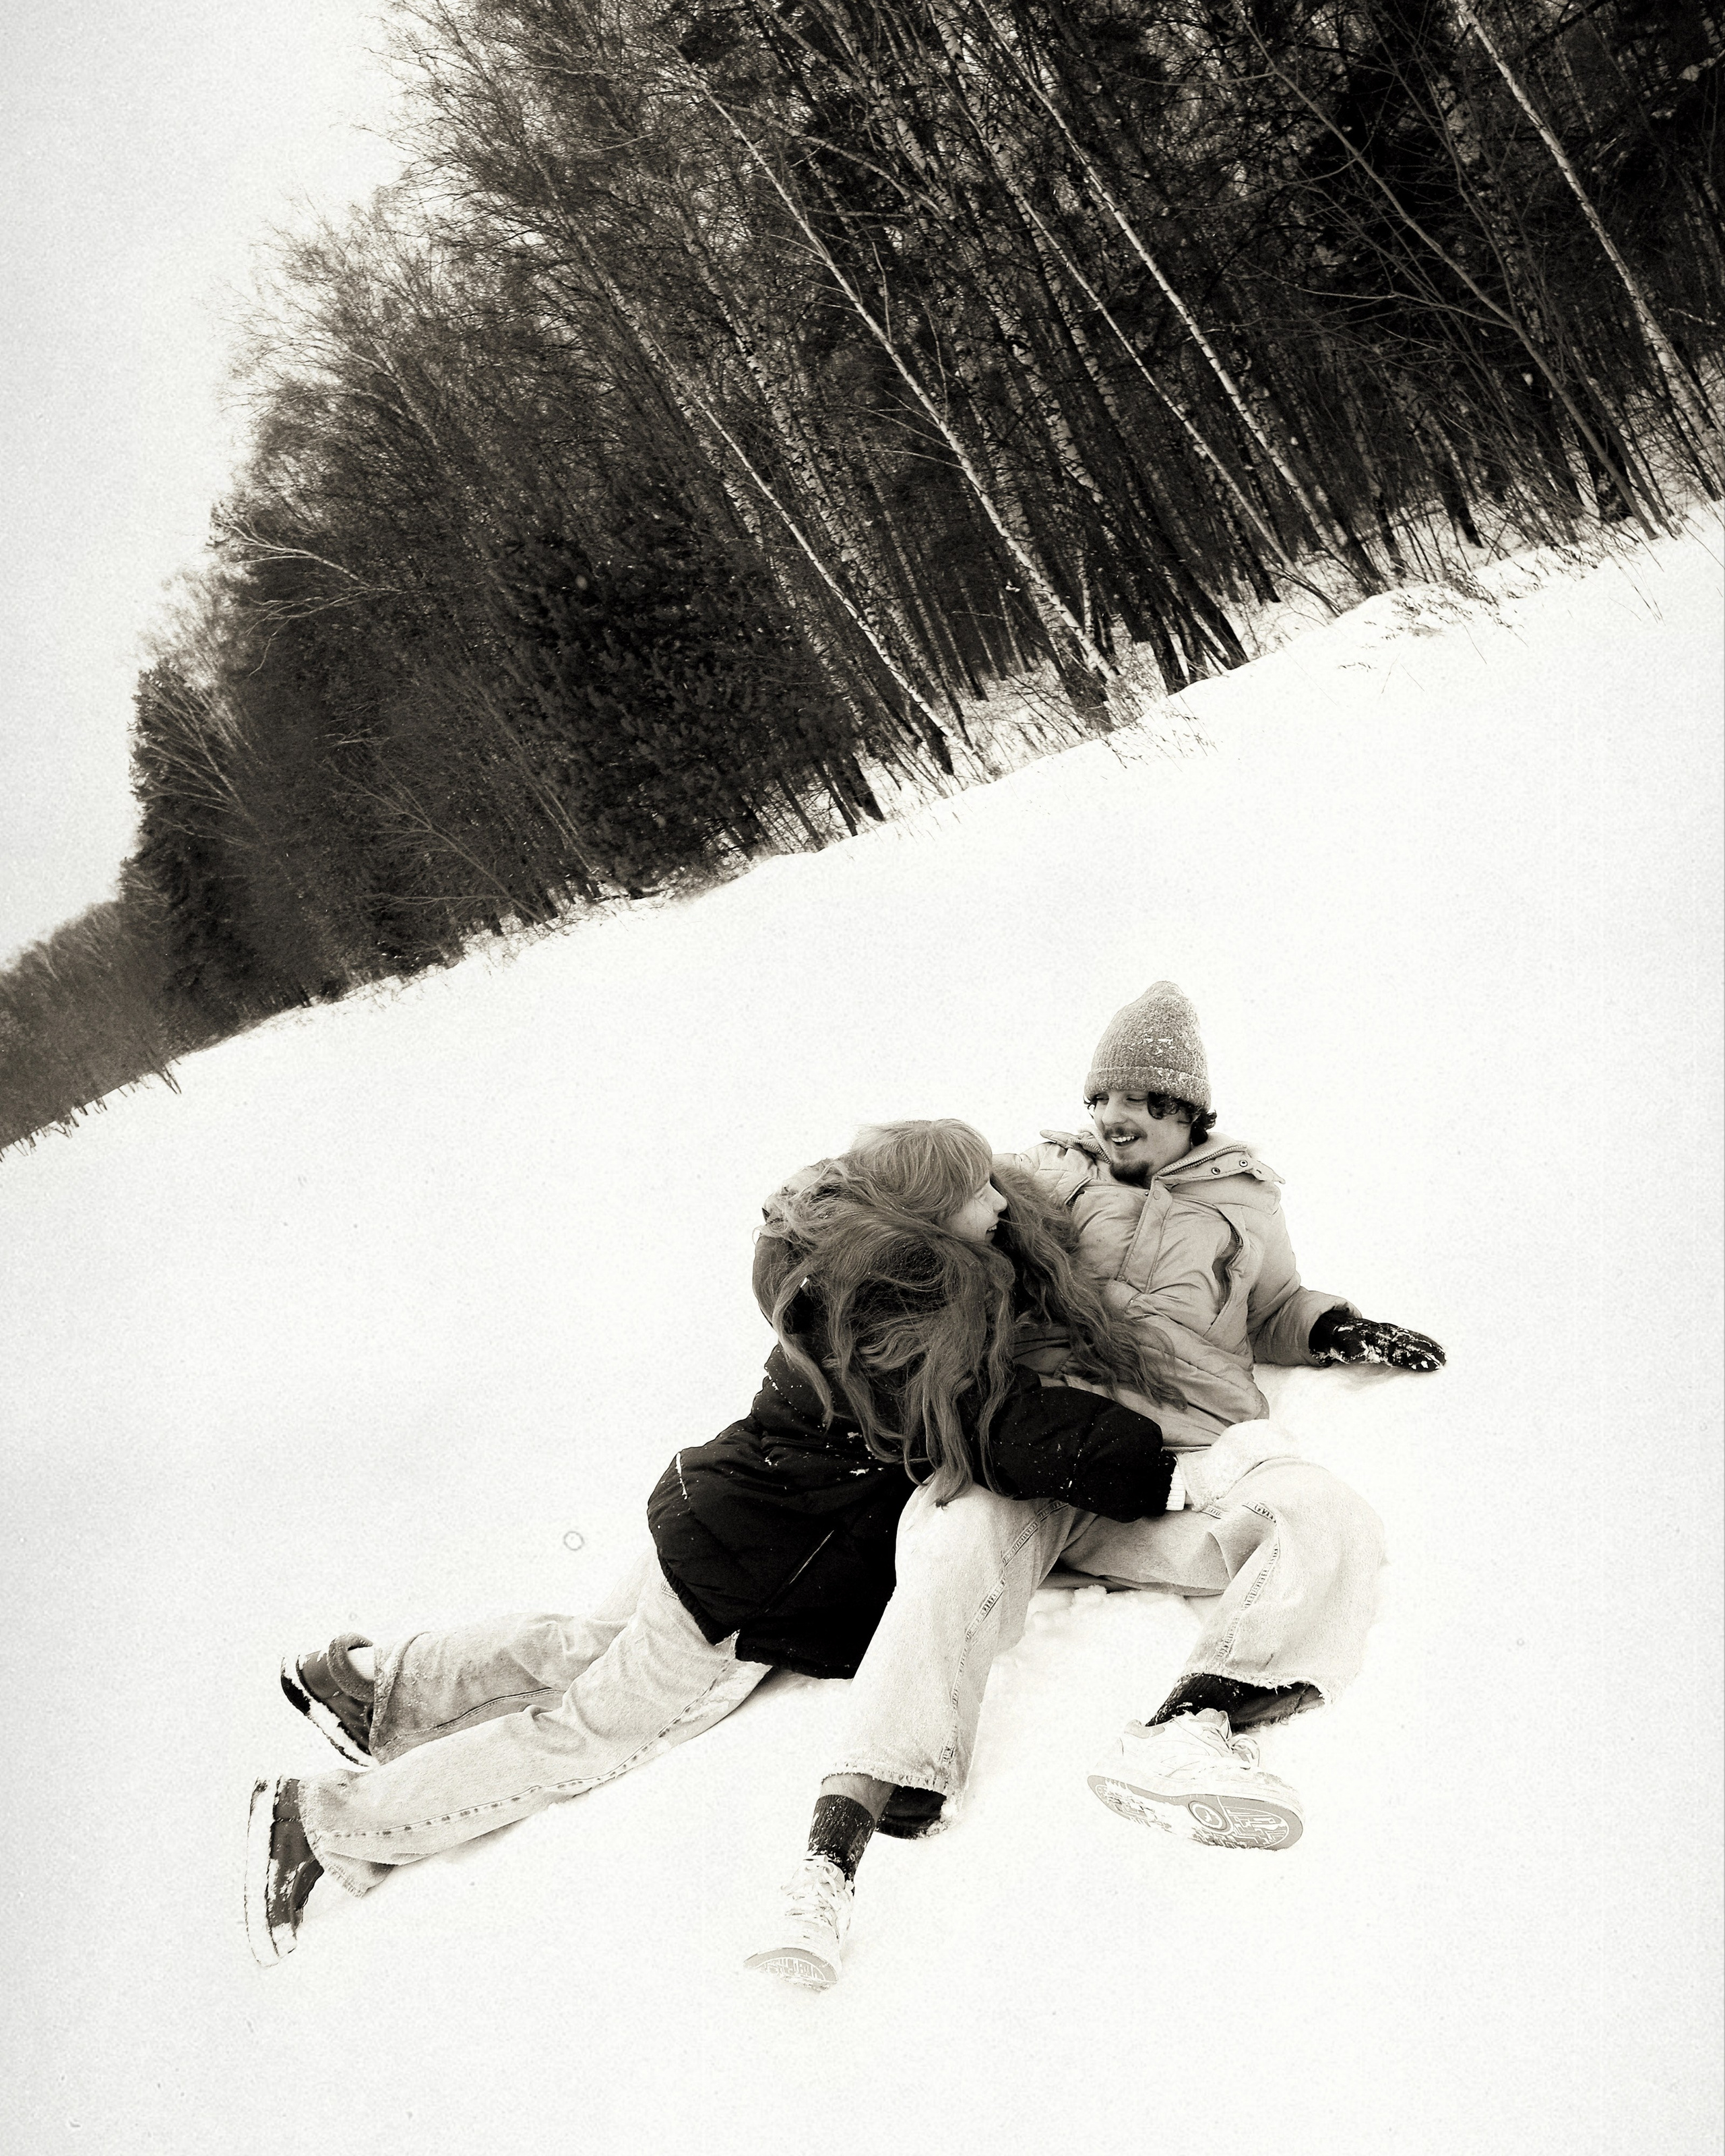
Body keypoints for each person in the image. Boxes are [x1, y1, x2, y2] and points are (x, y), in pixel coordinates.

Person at [245, 1117, 1203, 1966]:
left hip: (713, 1515)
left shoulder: (841, 1275)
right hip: (748, 1585)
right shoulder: (906, 1325)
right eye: (975, 1193)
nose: (998, 1202)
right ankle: (325, 1825)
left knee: (581, 1649)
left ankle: (374, 1685)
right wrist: (1164, 1474)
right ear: (922, 1220)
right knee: (575, 1737)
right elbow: (1007, 1430)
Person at [747, 982, 1444, 1990]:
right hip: (1042, 1453)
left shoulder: (1244, 1201)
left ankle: (1192, 1725)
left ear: (1187, 1112)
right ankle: (836, 1843)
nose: (1116, 1116)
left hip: (1180, 1461)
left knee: (1326, 1517)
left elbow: (1277, 1304)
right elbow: (920, 1199)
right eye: (1103, 1098)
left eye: (1144, 1101)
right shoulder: (1036, 1176)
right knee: (947, 1551)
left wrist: (1337, 1329)